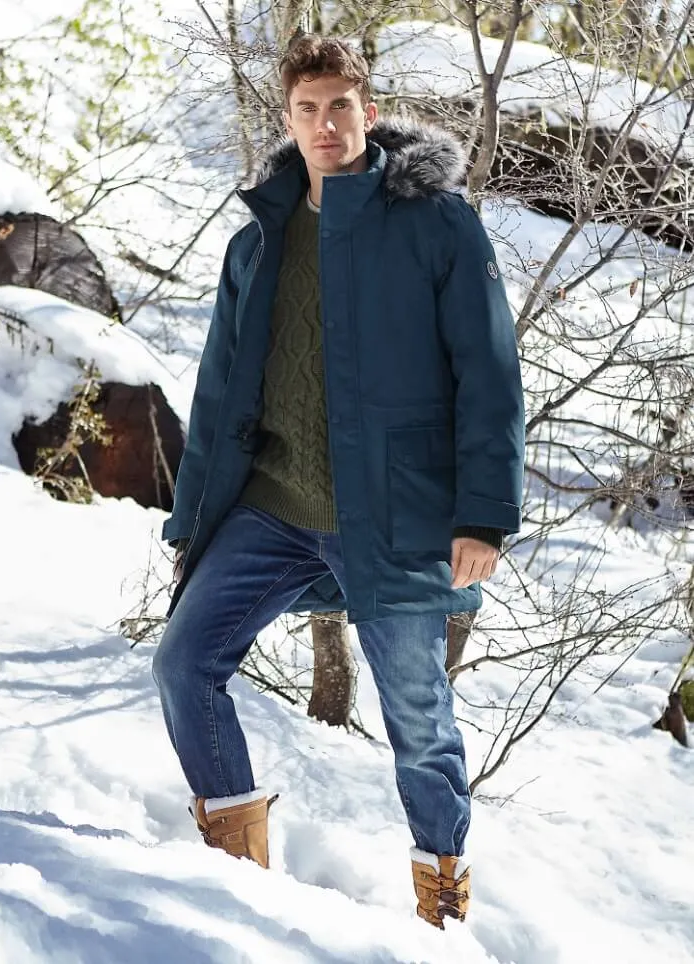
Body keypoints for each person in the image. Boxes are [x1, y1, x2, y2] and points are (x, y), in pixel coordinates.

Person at [153, 33, 525, 931]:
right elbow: (216, 394)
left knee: (420, 722)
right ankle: (238, 880)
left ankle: (443, 910)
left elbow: (490, 372)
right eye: (308, 109)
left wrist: (483, 516)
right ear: (288, 119)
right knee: (183, 662)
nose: (325, 124)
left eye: (341, 106)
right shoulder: (260, 242)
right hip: (272, 510)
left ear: (369, 109)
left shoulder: (436, 222)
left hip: (396, 517)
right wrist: (189, 525)